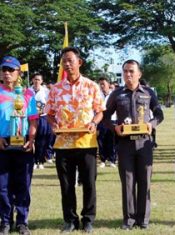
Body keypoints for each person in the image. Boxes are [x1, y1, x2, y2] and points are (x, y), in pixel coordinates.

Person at [45, 47, 104, 233]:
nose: (67, 64)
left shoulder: (91, 86)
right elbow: (49, 113)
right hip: (63, 143)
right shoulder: (55, 89)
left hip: (86, 142)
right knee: (67, 184)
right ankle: (70, 220)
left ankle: (88, 219)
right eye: (64, 61)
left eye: (70, 60)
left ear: (80, 62)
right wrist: (54, 125)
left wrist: (94, 122)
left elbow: (100, 111)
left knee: (89, 182)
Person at [103, 59, 163, 230]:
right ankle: (128, 219)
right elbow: (105, 117)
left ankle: (143, 219)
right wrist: (115, 127)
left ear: (139, 74)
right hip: (125, 144)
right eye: (125, 72)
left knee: (145, 181)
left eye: (131, 71)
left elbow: (159, 113)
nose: (128, 75)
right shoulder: (117, 94)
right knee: (128, 182)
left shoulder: (149, 92)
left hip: (144, 143)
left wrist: (152, 123)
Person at [0, 56, 38, 235]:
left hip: (23, 143)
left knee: (23, 184)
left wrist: (31, 139)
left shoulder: (28, 94)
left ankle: (22, 222)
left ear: (18, 73)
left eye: (11, 70)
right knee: (3, 186)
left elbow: (33, 120)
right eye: (4, 70)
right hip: (2, 143)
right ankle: (5, 222)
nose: (7, 73)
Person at [30, 73, 54, 169]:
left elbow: (49, 104)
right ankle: (33, 161)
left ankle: (40, 161)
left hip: (42, 117)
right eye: (35, 79)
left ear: (42, 81)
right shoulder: (27, 90)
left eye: (39, 80)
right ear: (32, 80)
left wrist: (44, 111)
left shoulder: (46, 91)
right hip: (31, 118)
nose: (37, 81)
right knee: (30, 139)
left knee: (42, 140)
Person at [97, 77, 117, 168]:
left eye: (103, 84)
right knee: (101, 141)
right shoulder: (97, 95)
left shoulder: (114, 95)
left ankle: (112, 160)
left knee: (112, 141)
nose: (101, 86)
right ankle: (103, 160)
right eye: (100, 84)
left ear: (109, 84)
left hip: (112, 120)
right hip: (101, 120)